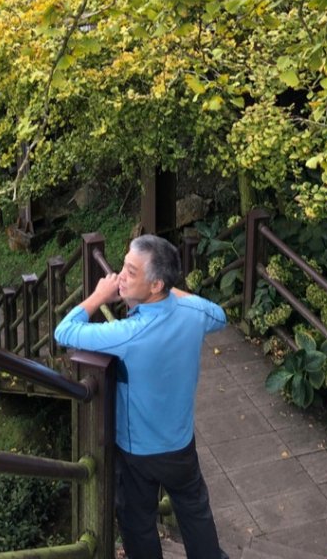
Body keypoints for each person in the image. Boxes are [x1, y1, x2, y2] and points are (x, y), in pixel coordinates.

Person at [54, 234, 228, 559]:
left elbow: (64, 331)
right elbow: (220, 315)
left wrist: (98, 295)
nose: (120, 275)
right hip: (180, 444)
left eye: (132, 272)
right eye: (123, 266)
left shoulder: (128, 335)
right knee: (195, 512)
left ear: (155, 285)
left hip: (139, 453)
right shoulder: (193, 313)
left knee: (137, 523)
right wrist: (170, 293)